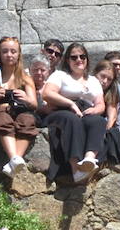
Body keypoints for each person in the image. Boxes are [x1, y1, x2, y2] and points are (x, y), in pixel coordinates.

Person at [39, 41, 105, 185]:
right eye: (74, 57)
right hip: (62, 110)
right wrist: (70, 103)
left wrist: (95, 109)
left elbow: (100, 104)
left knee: (98, 121)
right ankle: (75, 168)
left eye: (82, 56)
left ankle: (89, 158)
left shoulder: (93, 80)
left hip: (85, 110)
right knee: (71, 119)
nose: (79, 60)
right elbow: (47, 94)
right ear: (68, 60)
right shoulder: (60, 75)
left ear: (87, 59)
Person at [0, 36, 39, 176]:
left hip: (20, 112)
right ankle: (15, 158)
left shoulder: (25, 78)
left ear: (18, 54)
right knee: (2, 119)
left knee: (28, 121)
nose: (9, 55)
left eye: (13, 51)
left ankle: (13, 161)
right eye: (5, 51)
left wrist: (25, 97)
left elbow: (34, 104)